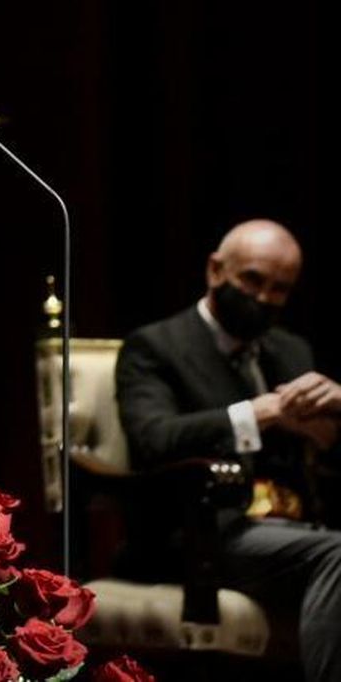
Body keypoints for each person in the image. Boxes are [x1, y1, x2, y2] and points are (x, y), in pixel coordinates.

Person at [117, 218, 341, 681]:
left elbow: (323, 448)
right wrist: (259, 412)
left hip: (295, 524)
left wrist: (337, 410)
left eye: (279, 290)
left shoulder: (291, 350)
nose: (262, 299)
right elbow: (152, 440)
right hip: (203, 532)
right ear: (216, 270)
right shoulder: (155, 347)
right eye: (252, 280)